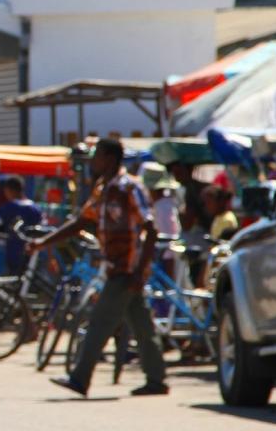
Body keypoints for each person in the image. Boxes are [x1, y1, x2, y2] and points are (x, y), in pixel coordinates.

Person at [29, 138, 168, 398]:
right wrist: (42, 243)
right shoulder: (103, 189)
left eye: (98, 156)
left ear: (111, 158)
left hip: (127, 270)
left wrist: (140, 271)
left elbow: (151, 229)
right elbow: (81, 222)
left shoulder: (129, 187)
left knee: (99, 322)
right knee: (141, 324)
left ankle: (80, 379)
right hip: (116, 268)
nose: (94, 162)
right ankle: (157, 379)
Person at [167, 161, 207, 236]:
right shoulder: (191, 187)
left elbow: (188, 222)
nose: (175, 176)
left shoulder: (192, 188)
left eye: (178, 172)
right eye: (174, 172)